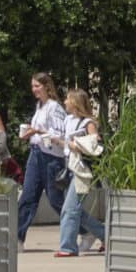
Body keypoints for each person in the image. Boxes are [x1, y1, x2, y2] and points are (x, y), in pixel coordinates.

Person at [17, 72, 71, 245]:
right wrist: (29, 135)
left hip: (50, 157)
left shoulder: (54, 107)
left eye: (37, 86)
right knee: (27, 196)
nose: (34, 90)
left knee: (56, 200)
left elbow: (59, 134)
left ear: (47, 86)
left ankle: (87, 230)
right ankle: (17, 238)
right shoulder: (39, 106)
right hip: (35, 153)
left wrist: (37, 131)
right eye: (32, 86)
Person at [55, 88, 106, 256]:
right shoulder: (69, 120)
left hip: (83, 171)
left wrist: (73, 145)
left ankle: (67, 247)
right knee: (75, 209)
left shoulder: (88, 123)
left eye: (68, 99)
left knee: (69, 209)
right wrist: (58, 141)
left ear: (76, 102)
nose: (65, 102)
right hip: (70, 166)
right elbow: (69, 145)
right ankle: (107, 236)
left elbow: (95, 145)